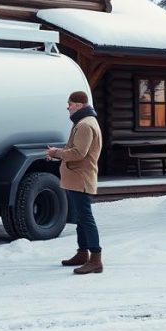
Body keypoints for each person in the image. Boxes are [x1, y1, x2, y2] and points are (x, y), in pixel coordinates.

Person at [46, 90, 103, 275]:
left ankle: (95, 259)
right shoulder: (84, 122)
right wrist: (58, 155)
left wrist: (56, 153)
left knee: (86, 218)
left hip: (80, 178)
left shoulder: (85, 125)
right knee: (81, 218)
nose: (68, 108)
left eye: (69, 104)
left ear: (78, 105)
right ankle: (82, 253)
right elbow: (76, 151)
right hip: (77, 178)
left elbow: (79, 153)